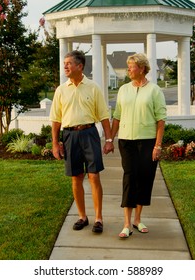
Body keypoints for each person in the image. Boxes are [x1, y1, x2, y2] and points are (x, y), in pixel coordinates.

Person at [50, 50, 114, 234]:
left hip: (89, 134)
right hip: (69, 136)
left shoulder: (93, 87)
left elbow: (103, 115)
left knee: (94, 176)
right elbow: (55, 119)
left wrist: (109, 139)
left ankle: (99, 218)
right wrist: (55, 143)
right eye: (65, 63)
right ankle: (82, 217)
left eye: (68, 63)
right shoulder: (61, 90)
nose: (65, 67)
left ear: (80, 66)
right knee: (76, 177)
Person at [110, 53, 167, 238]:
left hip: (148, 141)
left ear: (142, 69)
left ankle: (137, 218)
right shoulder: (123, 90)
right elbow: (117, 116)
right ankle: (126, 223)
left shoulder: (154, 90)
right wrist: (110, 139)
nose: (128, 70)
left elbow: (160, 120)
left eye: (131, 66)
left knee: (144, 178)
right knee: (129, 178)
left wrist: (158, 146)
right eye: (127, 67)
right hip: (126, 141)